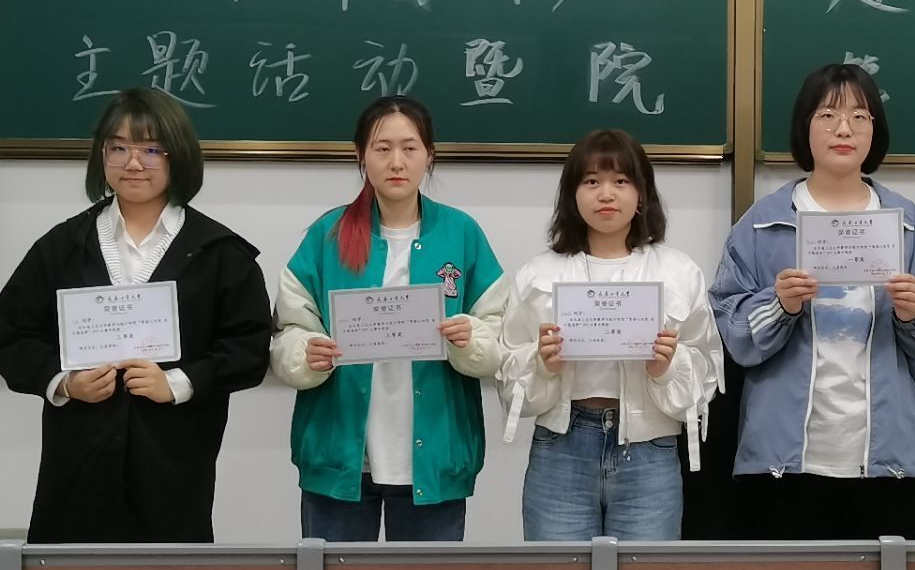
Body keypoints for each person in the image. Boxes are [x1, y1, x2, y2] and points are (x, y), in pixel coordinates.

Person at [0, 88, 270, 543]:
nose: (133, 163)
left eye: (151, 149)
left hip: (173, 463)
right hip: (78, 463)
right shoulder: (63, 246)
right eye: (118, 148)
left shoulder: (220, 253)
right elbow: (12, 335)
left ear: (178, 155)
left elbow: (248, 349)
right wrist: (64, 383)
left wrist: (178, 383)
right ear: (101, 156)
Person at [709, 63, 915, 540]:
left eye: (860, 117)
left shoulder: (908, 223)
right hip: (785, 460)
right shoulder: (763, 223)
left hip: (889, 459)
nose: (844, 129)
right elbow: (732, 332)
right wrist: (779, 305)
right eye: (827, 115)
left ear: (874, 131)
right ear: (804, 126)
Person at [270, 96, 508, 541]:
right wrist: (305, 353)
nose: (396, 162)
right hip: (340, 454)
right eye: (382, 148)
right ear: (361, 155)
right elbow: (291, 326)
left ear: (429, 154)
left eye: (409, 148)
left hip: (435, 455)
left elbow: (497, 329)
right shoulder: (328, 234)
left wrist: (471, 339)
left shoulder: (461, 234)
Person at [498, 128, 721, 540]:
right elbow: (509, 374)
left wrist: (666, 368)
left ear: (642, 195)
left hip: (650, 451)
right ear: (572, 195)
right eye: (591, 181)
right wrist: (542, 364)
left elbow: (706, 372)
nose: (606, 194)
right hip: (561, 448)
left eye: (621, 181)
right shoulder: (537, 274)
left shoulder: (678, 272)